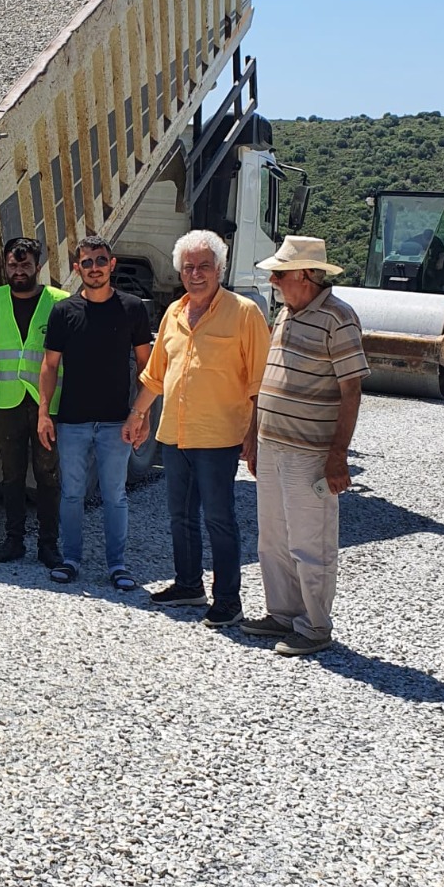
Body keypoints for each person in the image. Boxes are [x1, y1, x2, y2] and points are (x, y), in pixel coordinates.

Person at [127, 229, 271, 628]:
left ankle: (228, 600)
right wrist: (137, 416)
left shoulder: (244, 313)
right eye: (188, 267)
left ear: (219, 269)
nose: (196, 274)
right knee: (180, 516)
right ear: (179, 271)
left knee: (219, 519)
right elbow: (156, 375)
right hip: (175, 433)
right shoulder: (173, 312)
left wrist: (254, 435)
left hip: (219, 436)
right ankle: (189, 585)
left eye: (204, 266)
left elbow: (260, 381)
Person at [241, 235, 369, 655]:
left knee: (310, 542)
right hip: (273, 444)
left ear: (306, 275)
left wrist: (338, 456)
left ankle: (315, 627)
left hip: (309, 452)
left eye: (280, 274)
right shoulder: (285, 316)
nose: (274, 280)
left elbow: (351, 391)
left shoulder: (338, 318)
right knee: (273, 538)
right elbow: (269, 378)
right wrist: (254, 437)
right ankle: (281, 614)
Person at [37, 235, 152, 592]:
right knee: (71, 493)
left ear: (112, 264)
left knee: (115, 494)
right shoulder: (63, 312)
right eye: (86, 263)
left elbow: (147, 367)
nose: (94, 268)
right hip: (72, 421)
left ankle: (117, 565)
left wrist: (142, 415)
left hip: (117, 421)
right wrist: (45, 412)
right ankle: (70, 559)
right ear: (77, 269)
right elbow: (49, 365)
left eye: (100, 260)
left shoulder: (132, 308)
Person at [0, 237, 68, 567]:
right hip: (8, 400)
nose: (18, 271)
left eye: (25, 266)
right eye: (13, 265)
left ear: (37, 267)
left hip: (46, 404)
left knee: (48, 475)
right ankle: (14, 540)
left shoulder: (59, 301)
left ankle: (48, 544)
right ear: (6, 265)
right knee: (11, 474)